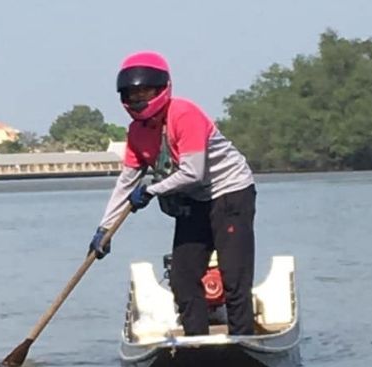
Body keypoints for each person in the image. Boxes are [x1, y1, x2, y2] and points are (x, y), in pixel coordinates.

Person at [90, 51, 259, 337]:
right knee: (183, 278)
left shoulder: (184, 114)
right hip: (194, 199)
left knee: (234, 276)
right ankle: (196, 342)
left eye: (145, 91)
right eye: (131, 94)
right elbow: (126, 183)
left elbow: (193, 172)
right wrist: (104, 230)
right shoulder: (137, 132)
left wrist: (151, 191)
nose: (138, 98)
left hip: (231, 192)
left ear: (161, 88)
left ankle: (242, 338)